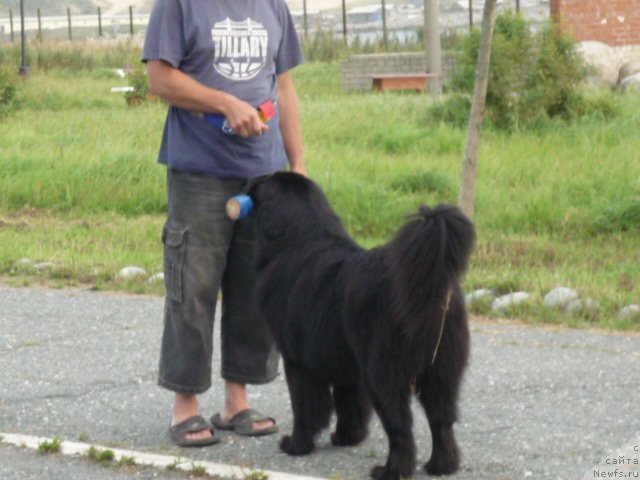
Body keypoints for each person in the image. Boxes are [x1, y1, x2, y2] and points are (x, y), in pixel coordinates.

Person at [142, 0, 305, 446]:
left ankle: (237, 400)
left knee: (255, 286)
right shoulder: (179, 5)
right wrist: (224, 102)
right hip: (199, 170)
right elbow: (160, 78)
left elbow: (284, 88)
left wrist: (298, 164)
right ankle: (186, 407)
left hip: (264, 171)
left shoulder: (273, 5)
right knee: (191, 285)